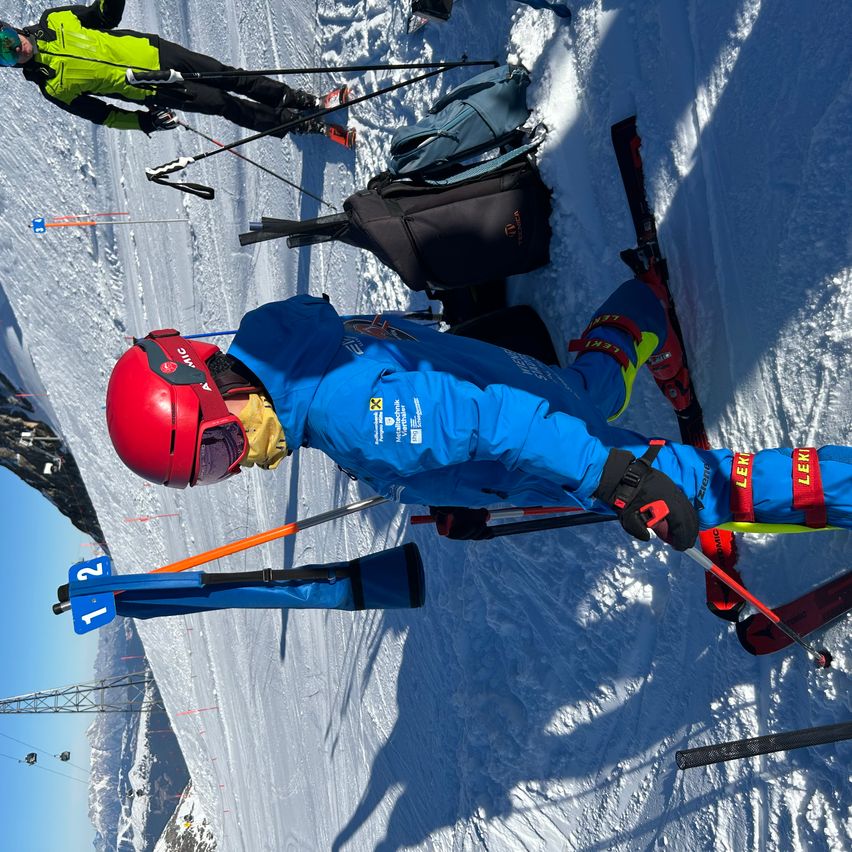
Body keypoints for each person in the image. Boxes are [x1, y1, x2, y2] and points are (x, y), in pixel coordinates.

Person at [105, 271, 852, 552]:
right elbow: (441, 410)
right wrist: (450, 484)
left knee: (697, 488)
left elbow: (496, 426)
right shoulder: (289, 352)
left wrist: (620, 478)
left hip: (533, 429)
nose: (236, 467)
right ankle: (641, 307)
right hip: (510, 386)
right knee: (587, 391)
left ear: (215, 385)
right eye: (211, 472)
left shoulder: (344, 415)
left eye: (217, 449)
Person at [0, 3, 328, 138]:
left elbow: (102, 17)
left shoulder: (54, 19)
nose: (15, 49)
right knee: (221, 103)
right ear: (8, 67)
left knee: (226, 74)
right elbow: (105, 115)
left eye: (7, 39)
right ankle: (289, 122)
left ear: (10, 28)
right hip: (153, 88)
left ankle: (290, 97)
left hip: (154, 51)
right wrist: (147, 121)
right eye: (6, 57)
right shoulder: (53, 88)